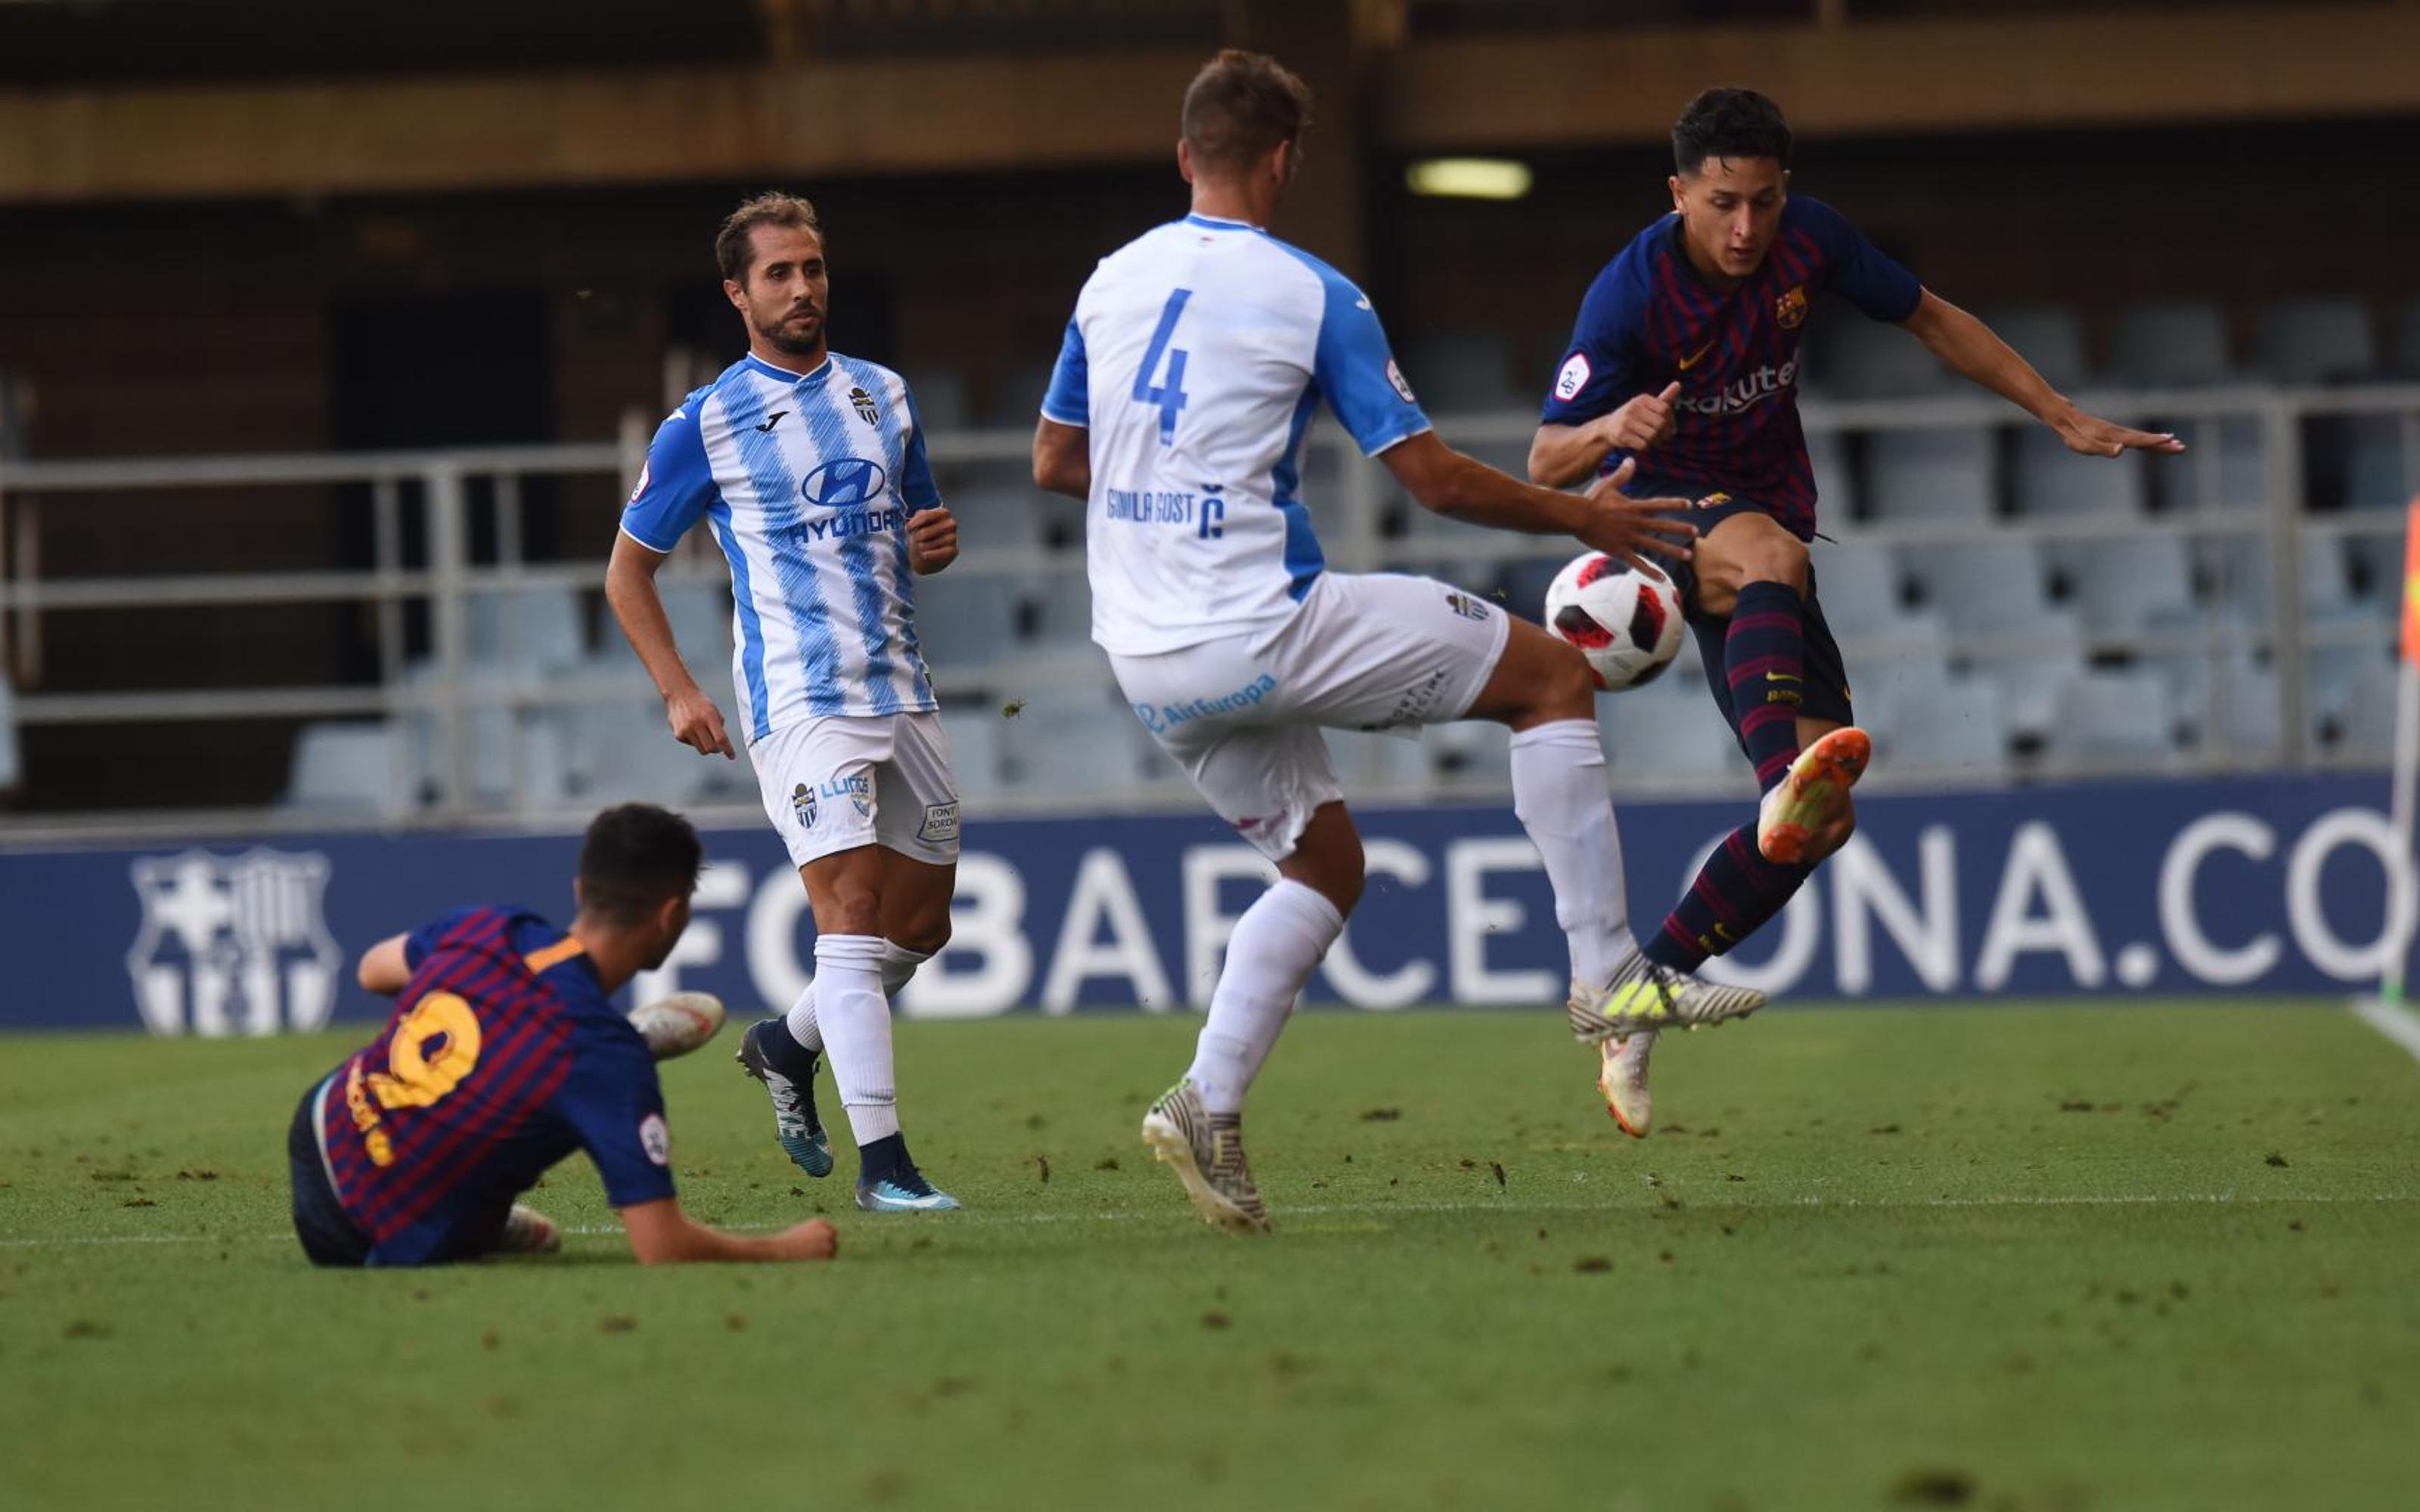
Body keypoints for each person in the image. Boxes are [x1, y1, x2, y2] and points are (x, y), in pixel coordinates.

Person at [1031, 51, 1763, 1235]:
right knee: (1553, 675)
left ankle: (1208, 1104)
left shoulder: (1110, 282)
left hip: (1147, 658)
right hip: (1264, 621)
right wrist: (1586, 513)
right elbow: (1428, 479)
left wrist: (1170, 508)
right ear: (1284, 163)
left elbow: (1058, 463)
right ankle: (1609, 978)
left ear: (1184, 158)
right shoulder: (1313, 290)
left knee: (1325, 869)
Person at [1527, 87, 2183, 1137]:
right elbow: (1545, 458)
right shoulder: (1630, 295)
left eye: (1767, 202)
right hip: (1664, 523)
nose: (1748, 228)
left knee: (1818, 825)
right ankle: (1778, 786)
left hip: (1768, 516)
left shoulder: (1809, 240)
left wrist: (2059, 414)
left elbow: (1932, 319)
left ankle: (1639, 994)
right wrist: (1613, 416)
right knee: (1773, 572)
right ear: (1680, 194)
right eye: (1725, 203)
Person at [607, 191, 966, 1213]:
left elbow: (918, 531)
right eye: (778, 273)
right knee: (848, 919)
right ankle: (885, 1166)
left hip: (904, 689)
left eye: (812, 268)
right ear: (738, 292)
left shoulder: (885, 397)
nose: (802, 287)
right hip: (801, 701)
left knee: (922, 925)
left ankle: (785, 1043)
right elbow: (626, 574)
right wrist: (678, 691)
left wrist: (933, 549)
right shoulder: (706, 425)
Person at [285, 804, 839, 1267]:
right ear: (671, 917)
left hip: (319, 1123)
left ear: (580, 889)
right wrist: (784, 1247)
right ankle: (479, 1218)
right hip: (355, 1223)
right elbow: (662, 1245)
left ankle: (480, 1206)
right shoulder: (606, 1057)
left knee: (516, 1070)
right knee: (564, 1079)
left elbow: (371, 971)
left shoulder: (488, 927)